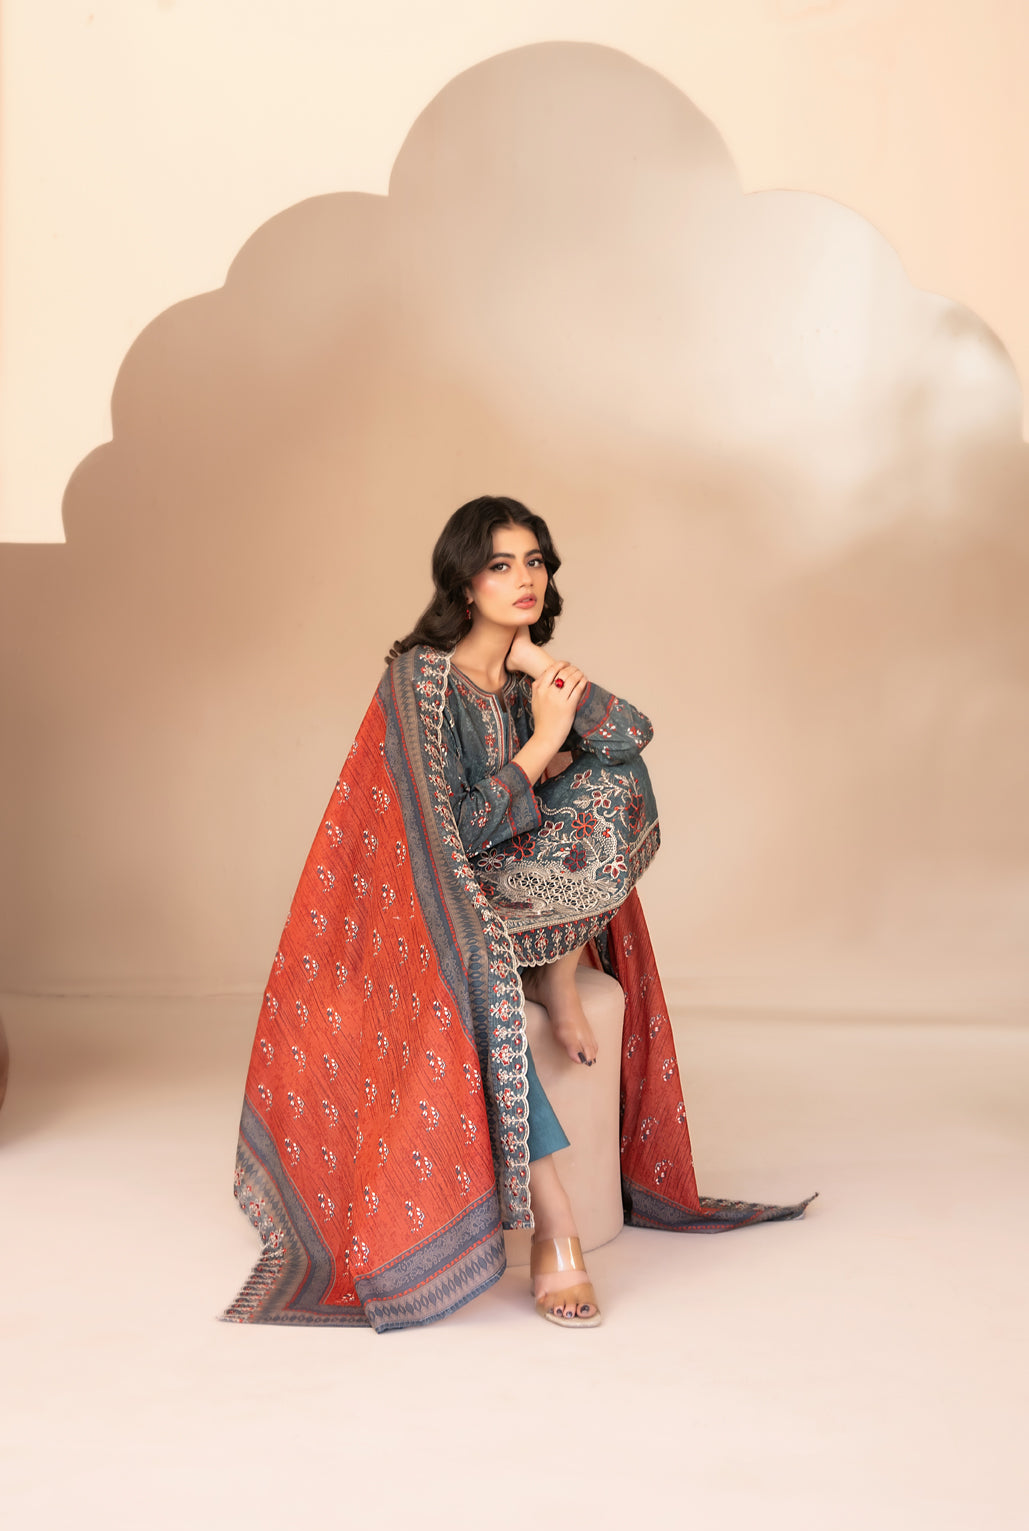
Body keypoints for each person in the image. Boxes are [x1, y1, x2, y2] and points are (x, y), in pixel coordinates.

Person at [224, 496, 814, 1335]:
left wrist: (537, 663)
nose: (523, 577)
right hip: (437, 896)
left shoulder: (523, 675)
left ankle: (558, 970)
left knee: (618, 779)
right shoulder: (420, 680)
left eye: (533, 560)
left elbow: (632, 734)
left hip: (522, 883)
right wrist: (541, 743)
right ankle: (553, 1219)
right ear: (464, 582)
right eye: (500, 564)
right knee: (481, 968)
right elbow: (452, 833)